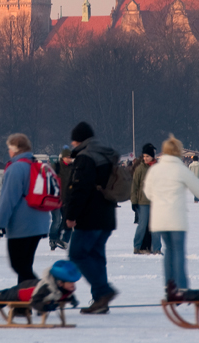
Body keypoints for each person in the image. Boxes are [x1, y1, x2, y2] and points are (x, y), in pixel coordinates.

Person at [143, 134, 199, 300]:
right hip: (176, 219)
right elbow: (198, 188)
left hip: (160, 219)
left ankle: (169, 287)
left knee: (168, 251)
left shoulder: (155, 169)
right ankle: (181, 287)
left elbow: (147, 192)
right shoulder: (180, 169)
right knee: (178, 252)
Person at [65, 122, 119, 315]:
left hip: (89, 217)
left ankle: (104, 292)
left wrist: (71, 216)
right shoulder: (105, 154)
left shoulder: (85, 157)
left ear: (78, 140)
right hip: (107, 215)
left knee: (77, 254)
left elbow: (79, 189)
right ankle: (100, 301)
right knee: (96, 257)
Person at [0, 133, 51, 283]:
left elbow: (8, 199)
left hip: (22, 226)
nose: (8, 151)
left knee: (18, 265)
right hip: (40, 223)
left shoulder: (15, 168)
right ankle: (23, 304)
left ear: (14, 149)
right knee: (26, 265)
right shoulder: (39, 166)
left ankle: (45, 290)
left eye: (9, 148)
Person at [0, 260, 80, 318]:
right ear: (60, 283)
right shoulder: (46, 289)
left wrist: (72, 300)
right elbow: (35, 302)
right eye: (70, 282)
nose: (73, 286)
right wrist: (45, 307)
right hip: (20, 292)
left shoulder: (65, 289)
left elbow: (66, 295)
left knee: (0, 300)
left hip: (27, 289)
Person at [131, 143, 160, 255]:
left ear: (152, 156)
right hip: (143, 202)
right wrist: (134, 201)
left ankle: (157, 248)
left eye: (147, 156)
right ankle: (136, 247)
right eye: (144, 156)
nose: (145, 158)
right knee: (142, 225)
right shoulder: (140, 169)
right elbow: (134, 186)